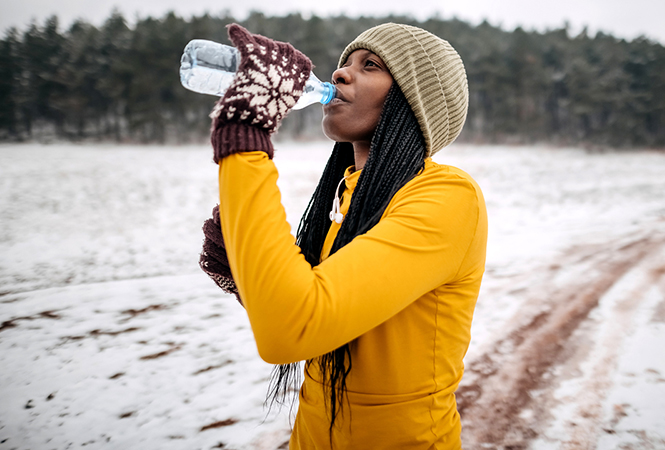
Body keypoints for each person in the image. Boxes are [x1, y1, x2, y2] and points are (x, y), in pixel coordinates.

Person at [199, 22, 487, 449]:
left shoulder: (447, 197)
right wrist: (252, 276)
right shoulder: (347, 194)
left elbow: (292, 326)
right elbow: (315, 317)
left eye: (370, 65)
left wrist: (246, 134)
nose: (338, 74)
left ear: (415, 99)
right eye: (344, 63)